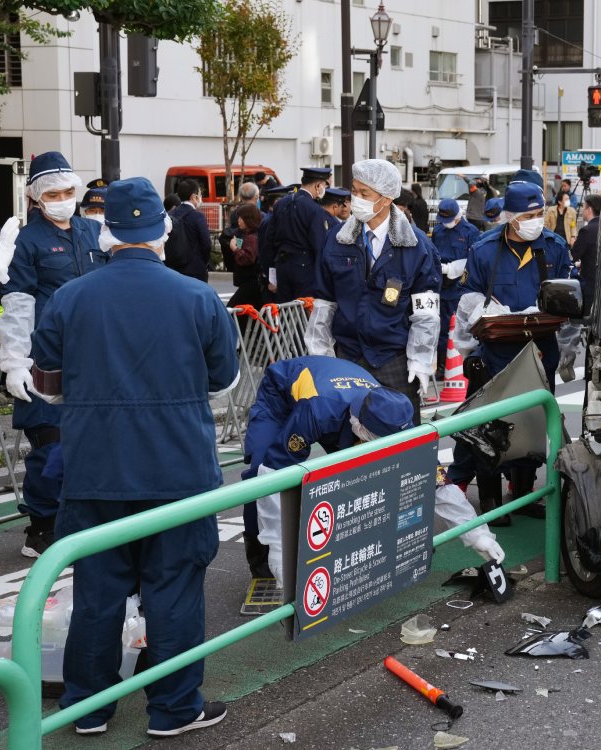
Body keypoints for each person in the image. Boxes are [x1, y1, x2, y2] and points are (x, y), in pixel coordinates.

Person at [31, 176, 237, 737]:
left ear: (106, 230)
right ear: (162, 231)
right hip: (178, 469)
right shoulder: (198, 296)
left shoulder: (70, 298)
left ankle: (86, 708)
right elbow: (224, 380)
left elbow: (46, 387)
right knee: (173, 592)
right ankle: (174, 710)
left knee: (97, 594)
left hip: (95, 469)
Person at [243, 356, 504, 586]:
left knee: (361, 473)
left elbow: (437, 482)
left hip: (340, 393)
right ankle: (262, 561)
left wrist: (477, 534)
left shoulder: (395, 418)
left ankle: (352, 545)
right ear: (361, 428)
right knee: (259, 472)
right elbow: (274, 473)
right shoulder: (318, 409)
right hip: (283, 396)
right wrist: (278, 548)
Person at [0, 151, 105, 558]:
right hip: (47, 357)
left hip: (93, 359)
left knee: (90, 443)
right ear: (37, 198)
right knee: (50, 445)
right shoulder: (28, 241)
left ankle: (79, 521)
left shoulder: (93, 233)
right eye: (53, 193)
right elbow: (18, 304)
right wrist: (14, 362)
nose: (62, 198)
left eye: (67, 191)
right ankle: (41, 528)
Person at [449, 180, 573, 521]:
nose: (537, 220)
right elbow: (469, 301)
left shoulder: (555, 247)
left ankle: (521, 490)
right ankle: (489, 499)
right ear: (511, 217)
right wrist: (479, 326)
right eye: (530, 215)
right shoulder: (485, 248)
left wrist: (568, 344)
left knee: (532, 421)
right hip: (496, 351)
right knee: (491, 424)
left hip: (540, 349)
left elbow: (569, 295)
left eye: (540, 213)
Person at [307, 159, 442, 424]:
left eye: (364, 193)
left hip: (394, 359)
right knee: (350, 438)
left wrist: (421, 359)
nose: (355, 199)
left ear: (386, 198)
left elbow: (425, 312)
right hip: (348, 355)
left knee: (401, 441)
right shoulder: (336, 240)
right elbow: (324, 303)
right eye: (354, 191)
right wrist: (320, 353)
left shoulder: (416, 246)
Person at [267, 167, 335, 302]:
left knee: (285, 312)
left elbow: (269, 240)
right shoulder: (315, 209)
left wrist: (272, 274)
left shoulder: (281, 204)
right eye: (324, 186)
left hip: (281, 264)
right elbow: (319, 245)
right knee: (304, 311)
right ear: (317, 186)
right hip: (304, 267)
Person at [431, 198, 481, 378]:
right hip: (441, 287)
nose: (446, 224)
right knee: (442, 329)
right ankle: (443, 366)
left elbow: (474, 261)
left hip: (460, 287)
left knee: (463, 327)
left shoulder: (471, 232)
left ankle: (467, 364)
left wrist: (454, 269)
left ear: (457, 215)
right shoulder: (438, 231)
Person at [167, 179, 212, 282]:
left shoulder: (170, 215)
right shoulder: (198, 217)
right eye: (200, 195)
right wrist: (203, 262)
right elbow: (206, 244)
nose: (201, 198)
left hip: (173, 269)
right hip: (195, 269)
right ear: (193, 197)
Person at [223, 203, 264, 310]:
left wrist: (234, 248)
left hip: (250, 283)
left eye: (241, 218)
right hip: (253, 283)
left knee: (232, 311)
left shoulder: (251, 237)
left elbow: (247, 258)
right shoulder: (252, 234)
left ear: (248, 219)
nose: (238, 221)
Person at [570, 193, 601, 304]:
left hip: (589, 284)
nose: (583, 210)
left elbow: (574, 255)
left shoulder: (586, 231)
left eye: (584, 207)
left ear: (589, 209)